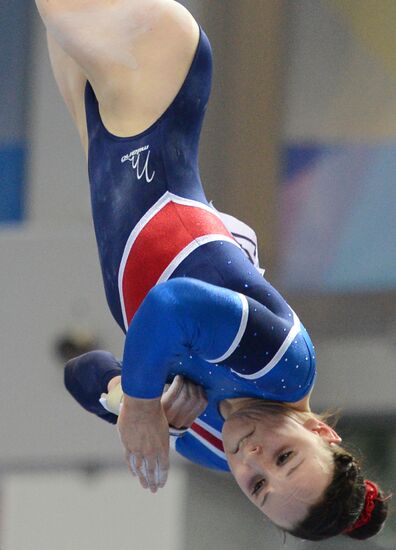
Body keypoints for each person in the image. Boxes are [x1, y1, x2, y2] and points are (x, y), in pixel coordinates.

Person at [35, 0, 390, 541]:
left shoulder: (208, 446)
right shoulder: (283, 364)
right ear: (321, 430)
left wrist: (125, 396)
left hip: (103, 125)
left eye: (258, 486)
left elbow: (82, 372)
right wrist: (144, 400)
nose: (252, 457)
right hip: (157, 81)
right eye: (286, 456)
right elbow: (169, 305)